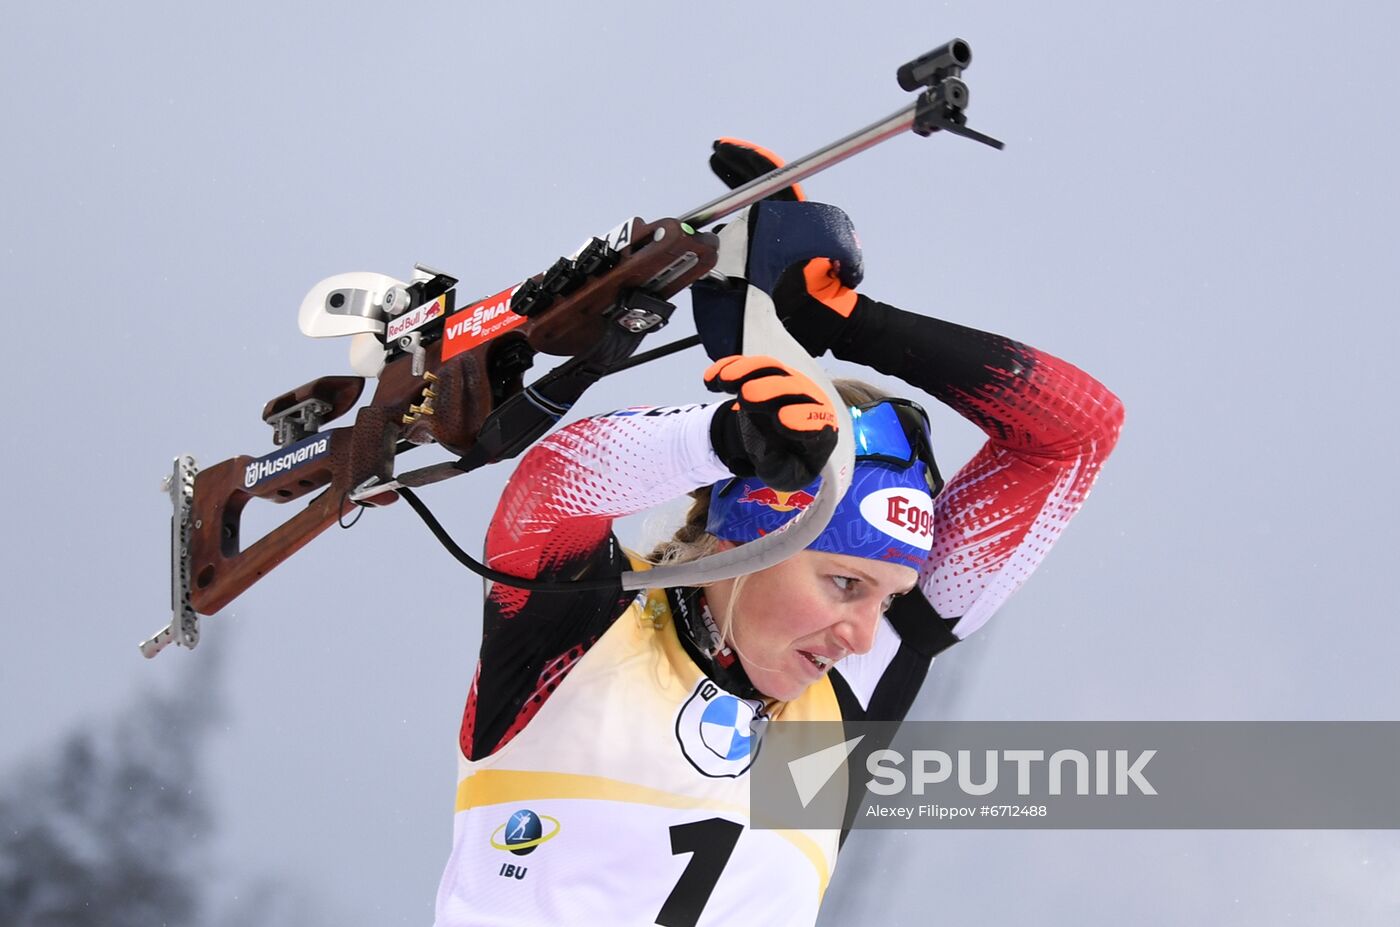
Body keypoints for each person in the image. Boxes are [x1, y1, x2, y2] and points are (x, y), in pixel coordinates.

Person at [432, 143, 1124, 926]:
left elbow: (1076, 434)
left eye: (887, 594)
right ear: (750, 532)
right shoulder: (589, 631)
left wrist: (848, 320)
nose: (865, 637)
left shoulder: (837, 707)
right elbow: (552, 488)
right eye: (844, 582)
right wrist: (724, 436)